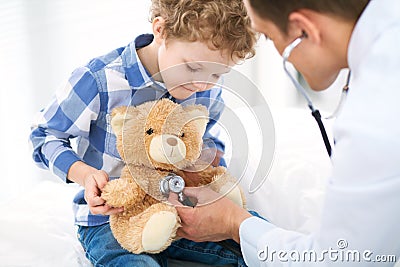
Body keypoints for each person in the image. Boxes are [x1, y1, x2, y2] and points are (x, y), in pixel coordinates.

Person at [171, 0, 400, 266]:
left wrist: (235, 223)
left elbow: (345, 258)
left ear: (304, 31)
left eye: (269, 36)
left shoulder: (377, 117)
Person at [29, 0, 257, 266]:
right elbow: (44, 135)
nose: (202, 84)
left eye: (218, 74)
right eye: (193, 68)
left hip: (180, 209)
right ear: (161, 30)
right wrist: (85, 174)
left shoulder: (205, 83)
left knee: (256, 239)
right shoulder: (100, 80)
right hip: (112, 219)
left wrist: (208, 159)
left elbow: (207, 136)